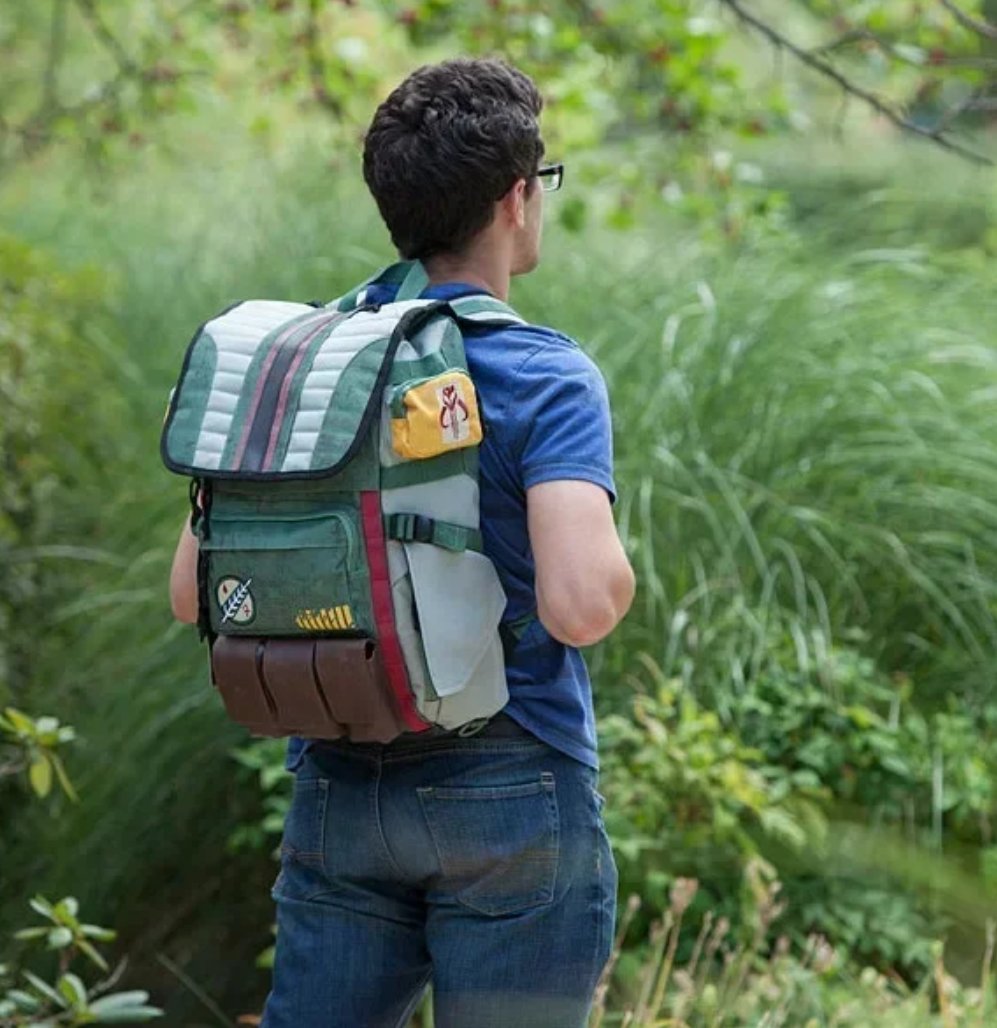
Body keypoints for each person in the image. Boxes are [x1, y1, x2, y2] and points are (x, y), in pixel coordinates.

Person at [169, 56, 635, 1028]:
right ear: (516, 197)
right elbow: (580, 603)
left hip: (340, 781)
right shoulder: (546, 374)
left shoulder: (303, 356)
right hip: (513, 783)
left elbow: (189, 592)